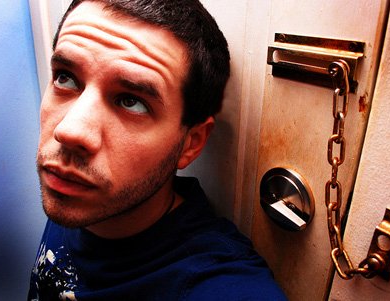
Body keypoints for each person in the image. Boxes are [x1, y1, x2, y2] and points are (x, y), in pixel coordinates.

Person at [28, 0, 287, 300]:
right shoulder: (78, 187)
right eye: (66, 78)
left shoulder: (220, 286)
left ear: (190, 143)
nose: (69, 131)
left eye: (131, 101)